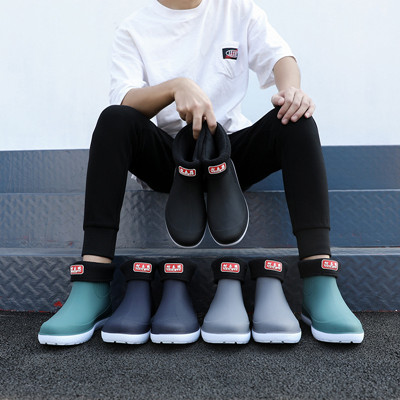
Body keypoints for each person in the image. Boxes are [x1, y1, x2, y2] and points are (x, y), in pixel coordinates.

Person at [38, 0, 364, 345]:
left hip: (230, 156)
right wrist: (175, 86)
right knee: (113, 119)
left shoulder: (238, 10)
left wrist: (291, 91)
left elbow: (281, 58)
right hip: (171, 159)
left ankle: (319, 281)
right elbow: (126, 99)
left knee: (297, 120)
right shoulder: (133, 29)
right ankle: (92, 284)